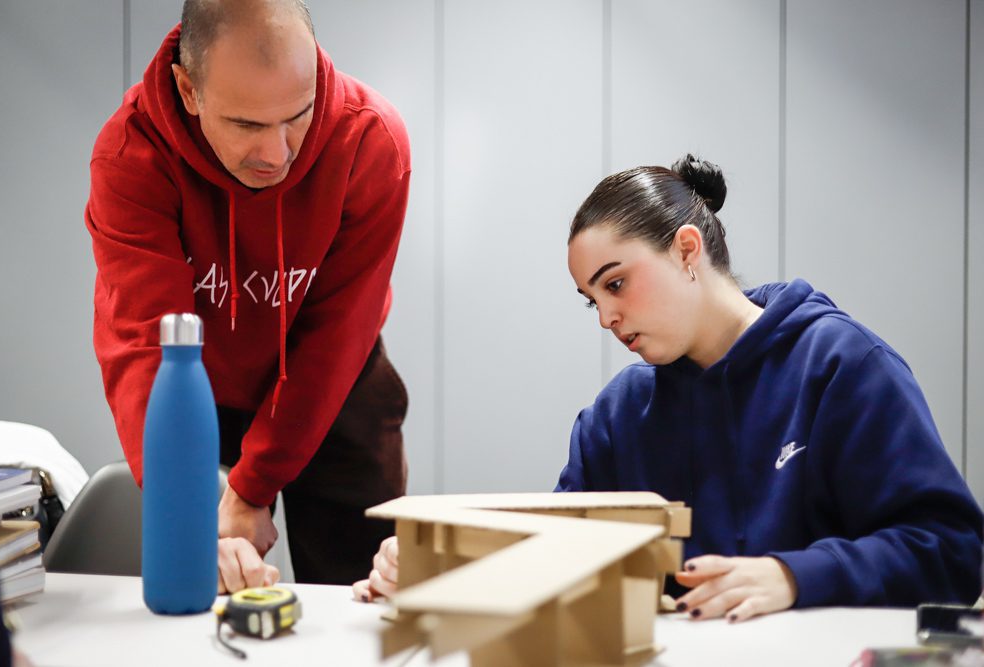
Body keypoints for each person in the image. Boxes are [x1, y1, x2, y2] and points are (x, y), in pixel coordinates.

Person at [354, 155, 984, 623]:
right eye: (591, 300)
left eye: (617, 283)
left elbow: (953, 551)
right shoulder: (620, 414)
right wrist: (437, 566)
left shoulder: (842, 366)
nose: (606, 317)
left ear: (687, 250)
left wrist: (793, 576)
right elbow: (556, 556)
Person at [87, 0, 409, 590]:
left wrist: (251, 485)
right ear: (189, 90)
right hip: (194, 390)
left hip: (334, 387)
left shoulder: (371, 141)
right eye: (246, 125)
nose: (277, 154)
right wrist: (187, 509)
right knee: (200, 577)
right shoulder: (132, 153)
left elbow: (335, 335)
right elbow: (144, 342)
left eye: (298, 115)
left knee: (366, 592)